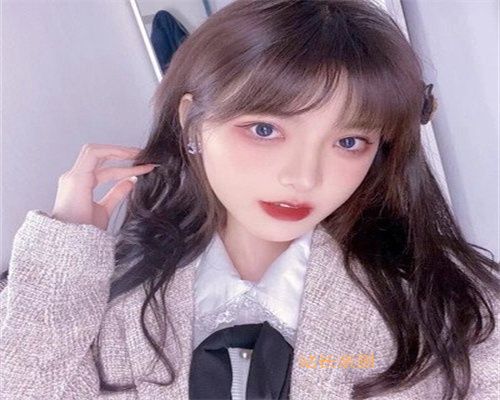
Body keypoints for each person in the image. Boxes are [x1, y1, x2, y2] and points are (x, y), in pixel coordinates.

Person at [1, 0, 498, 399]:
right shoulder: (94, 301)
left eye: (349, 141)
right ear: (191, 121)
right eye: (264, 129)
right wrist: (62, 257)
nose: (303, 177)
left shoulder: (457, 309)